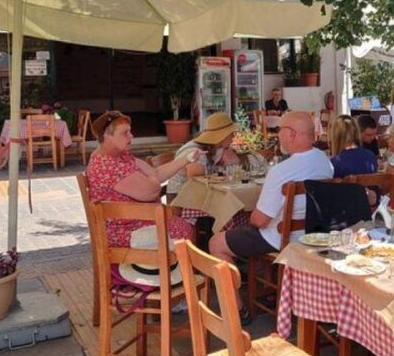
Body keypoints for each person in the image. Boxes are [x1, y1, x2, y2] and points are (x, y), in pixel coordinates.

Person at [209, 111, 334, 264]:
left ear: (291, 134)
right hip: (314, 234)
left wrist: (251, 217)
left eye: (279, 130)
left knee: (216, 242)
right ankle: (258, 273)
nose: (278, 134)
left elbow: (260, 222)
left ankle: (232, 287)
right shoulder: (325, 161)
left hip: (280, 238)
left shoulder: (281, 171)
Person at [87, 111, 197, 247]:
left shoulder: (120, 156)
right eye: (125, 133)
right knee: (183, 228)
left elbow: (155, 174)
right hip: (123, 230)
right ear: (107, 136)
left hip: (135, 221)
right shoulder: (106, 165)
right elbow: (152, 191)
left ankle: (177, 268)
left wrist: (187, 159)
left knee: (184, 223)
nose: (131, 136)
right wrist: (151, 180)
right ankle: (176, 267)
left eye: (130, 131)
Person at [167, 112, 239, 200]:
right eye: (232, 134)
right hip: (180, 199)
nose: (233, 137)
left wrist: (228, 154)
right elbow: (197, 184)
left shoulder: (214, 148)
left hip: (193, 195)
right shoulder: (196, 153)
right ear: (223, 136)